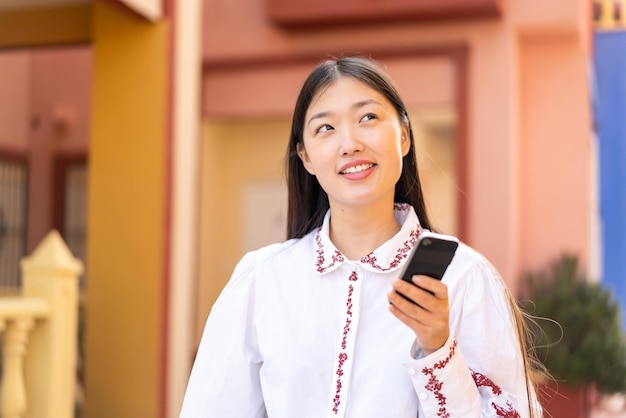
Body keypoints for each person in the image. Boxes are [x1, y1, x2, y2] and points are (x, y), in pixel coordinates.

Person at [180, 56, 544, 418]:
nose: (350, 143)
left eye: (367, 118)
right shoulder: (260, 281)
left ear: (403, 136)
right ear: (305, 157)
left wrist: (439, 350)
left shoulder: (467, 279)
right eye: (326, 128)